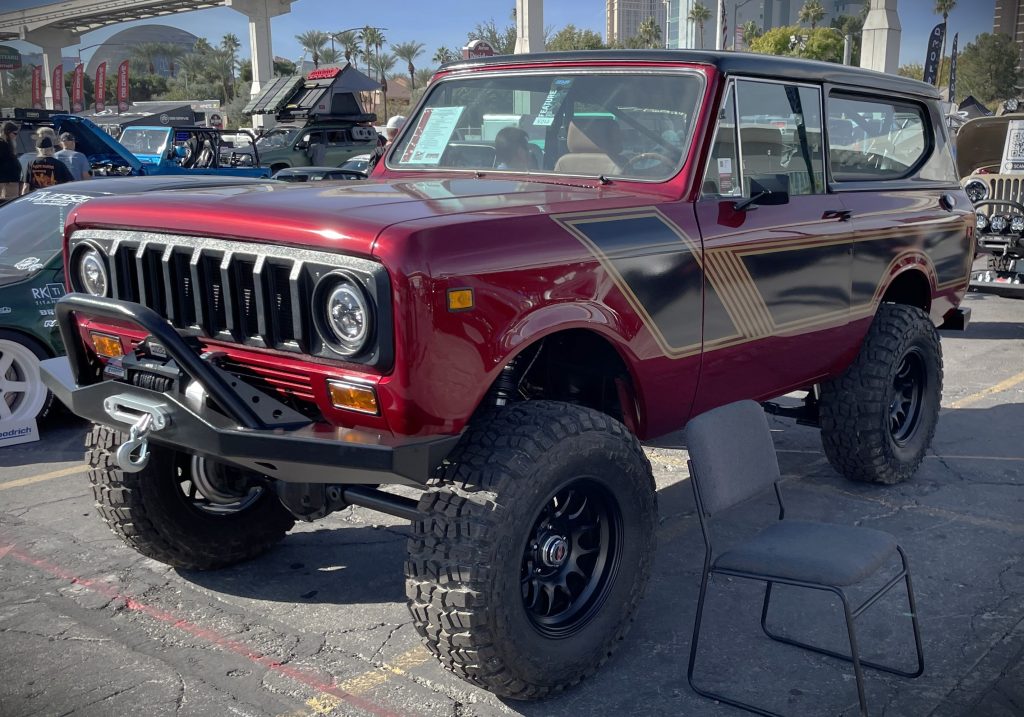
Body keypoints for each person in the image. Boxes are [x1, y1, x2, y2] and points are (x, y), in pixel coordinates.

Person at [0, 121, 20, 202]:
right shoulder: (2, 144)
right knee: (9, 204)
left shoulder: (7, 144)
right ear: (7, 132)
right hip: (6, 182)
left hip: (10, 181)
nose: (16, 136)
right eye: (15, 133)